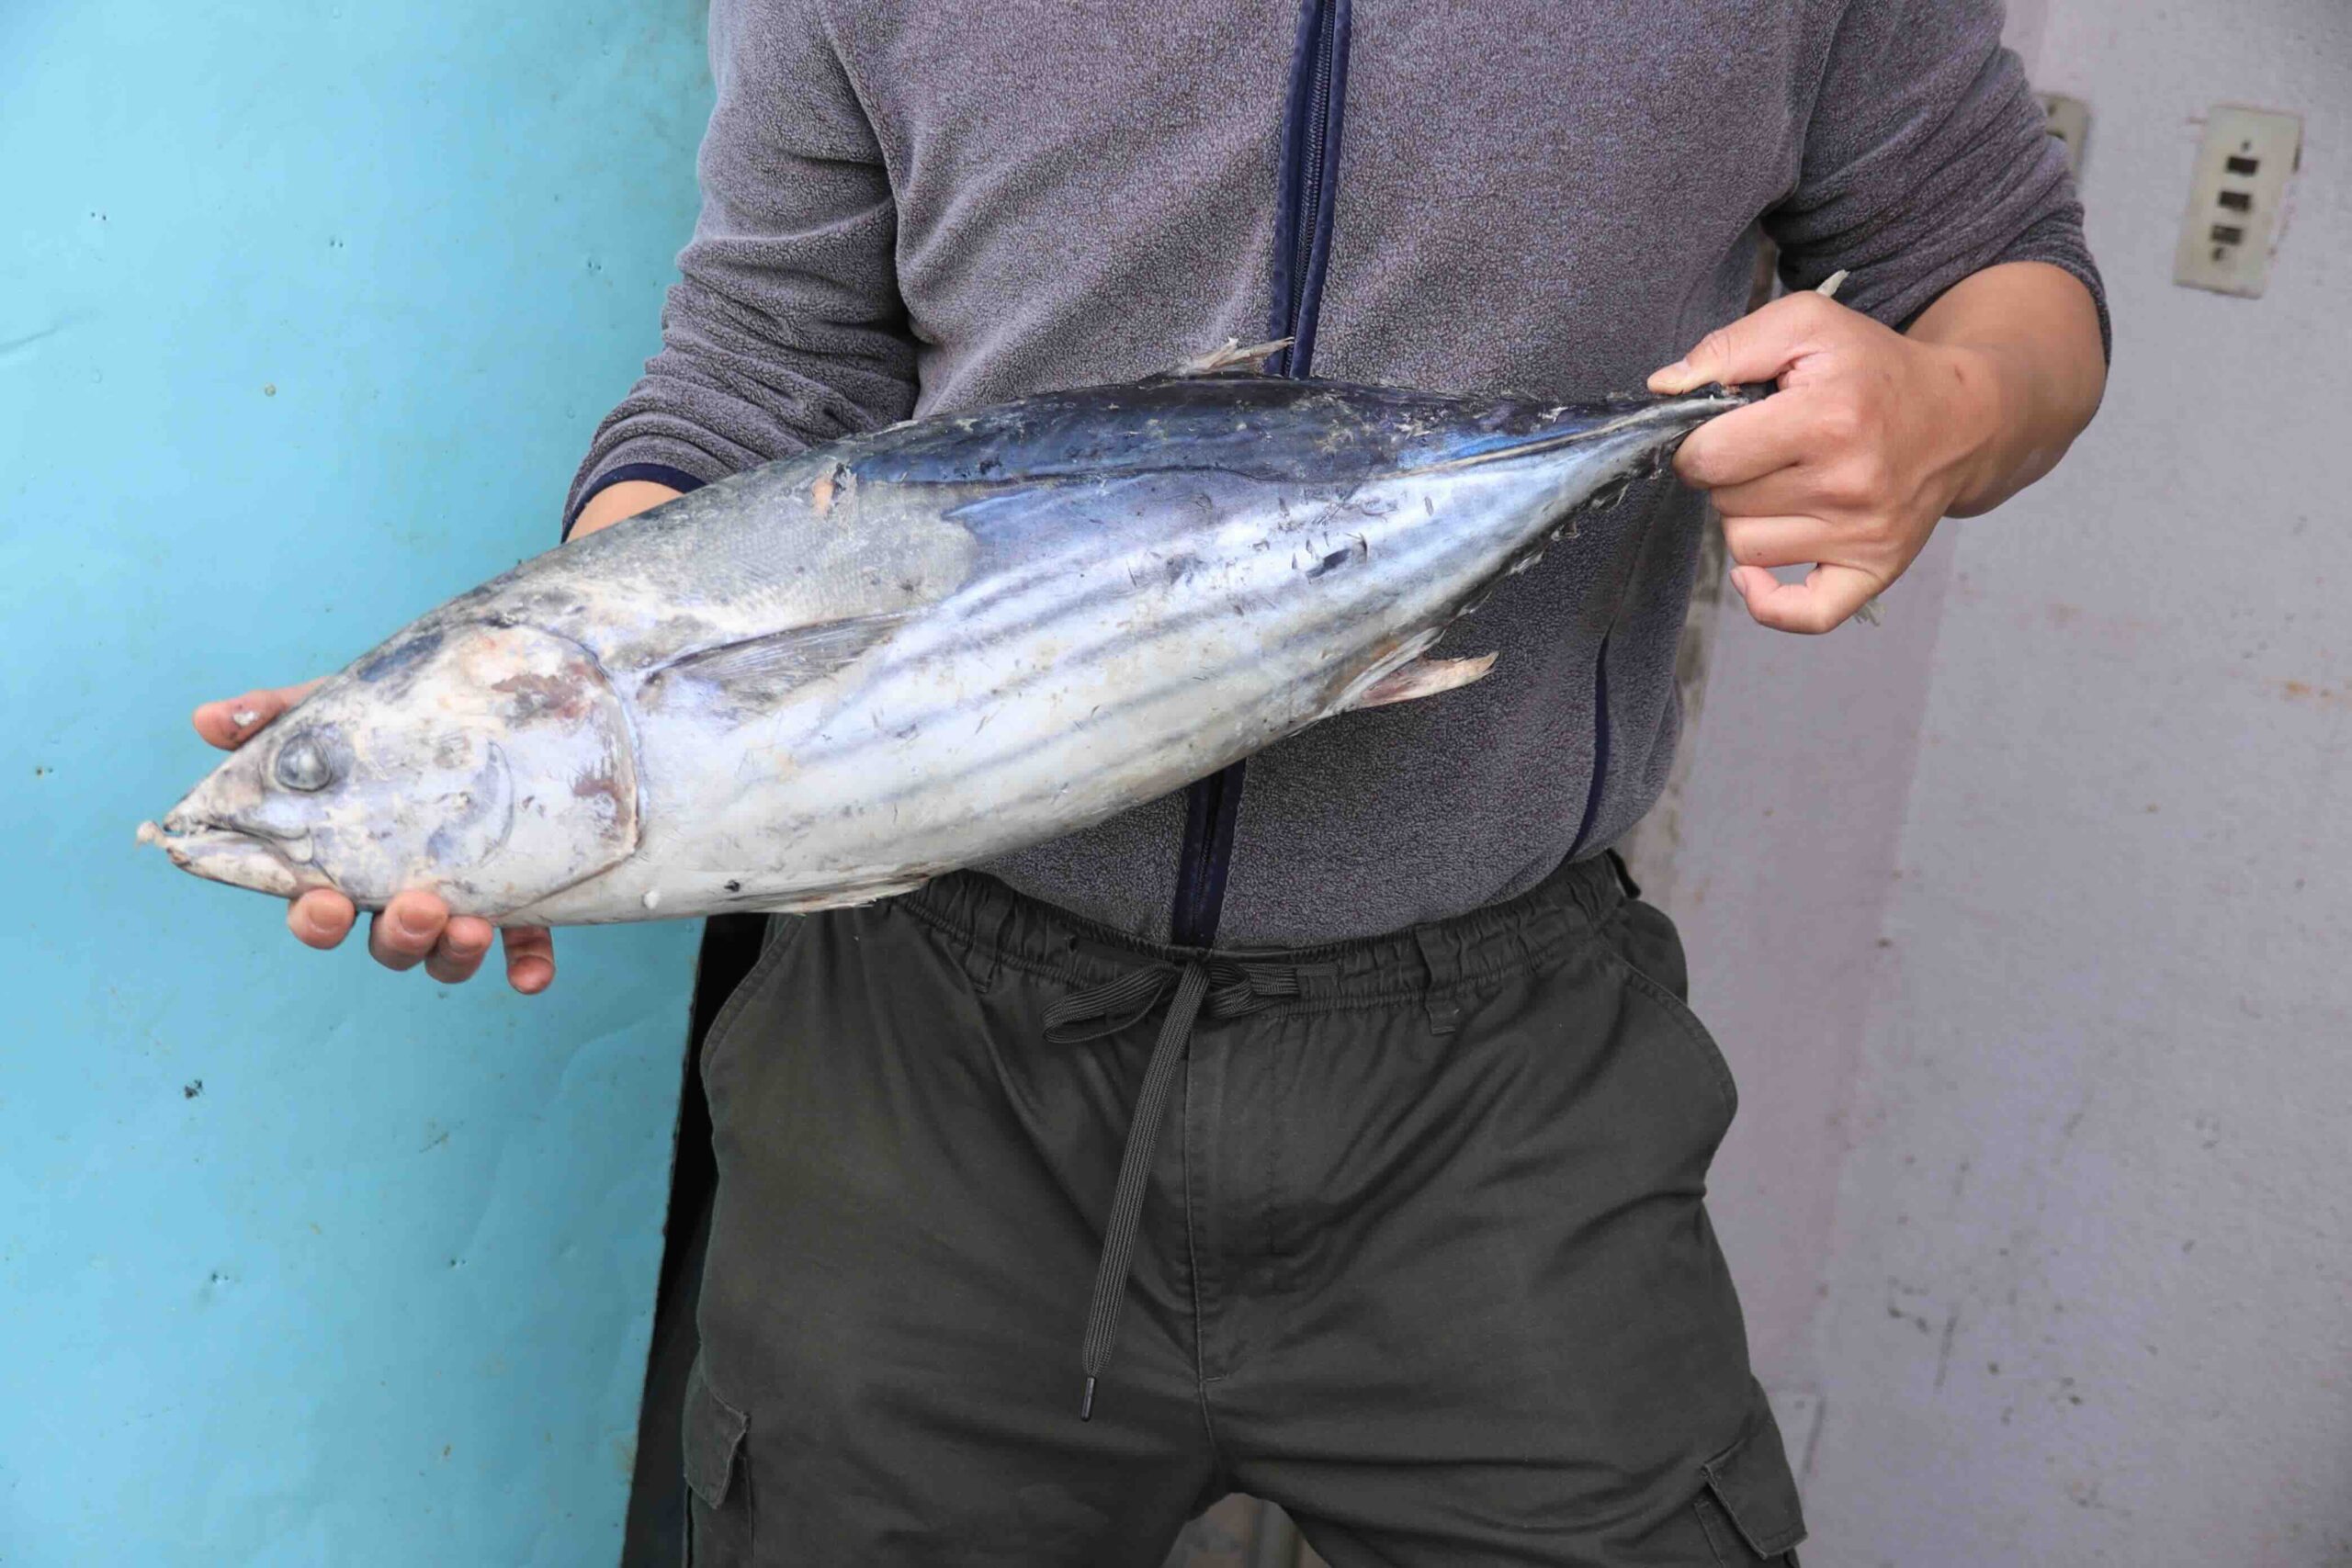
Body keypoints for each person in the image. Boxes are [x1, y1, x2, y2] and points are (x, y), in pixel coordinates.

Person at [196, 0, 2107, 1561]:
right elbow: (766, 360)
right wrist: (554, 706)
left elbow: (2000, 264)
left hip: (1499, 1081)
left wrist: (1949, 407)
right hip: (929, 1065)